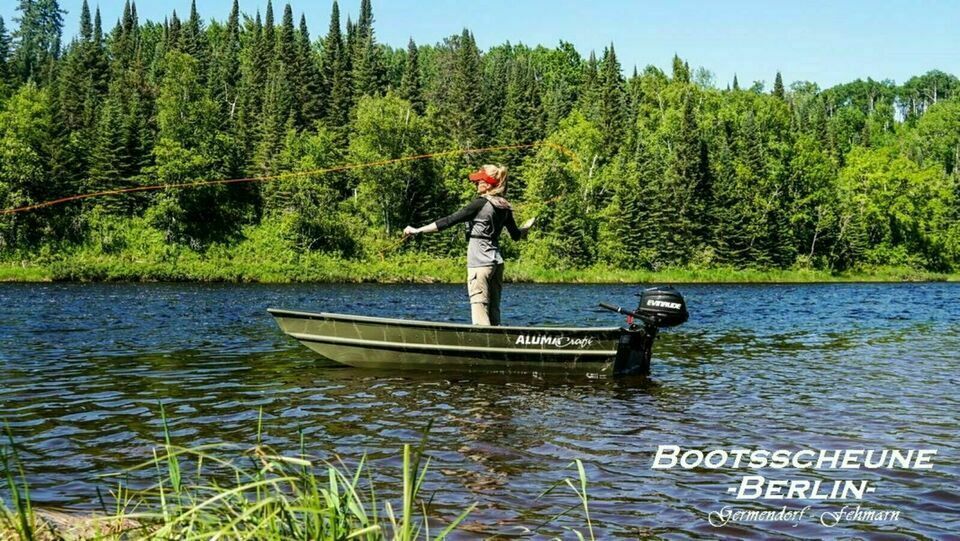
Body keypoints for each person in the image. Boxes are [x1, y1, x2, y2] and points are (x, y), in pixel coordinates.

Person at [404, 164, 533, 326]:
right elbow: (515, 235)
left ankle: (483, 349)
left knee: (480, 313)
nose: (476, 183)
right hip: (496, 263)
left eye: (479, 180)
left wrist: (417, 230)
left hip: (480, 264)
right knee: (494, 312)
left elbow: (448, 221)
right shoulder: (504, 205)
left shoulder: (479, 204)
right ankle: (498, 348)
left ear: (487, 183)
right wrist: (525, 230)